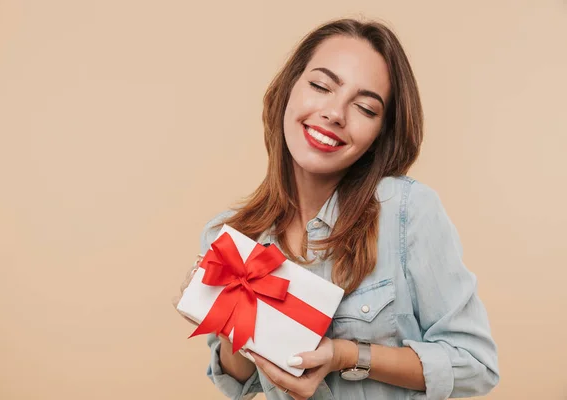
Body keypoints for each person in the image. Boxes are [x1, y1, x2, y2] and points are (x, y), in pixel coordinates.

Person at [173, 18, 499, 400]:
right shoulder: (229, 236)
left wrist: (345, 355)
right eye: (320, 86)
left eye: (365, 107)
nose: (335, 113)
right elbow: (238, 383)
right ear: (288, 90)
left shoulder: (407, 211)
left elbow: (476, 365)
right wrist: (225, 316)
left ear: (380, 135)